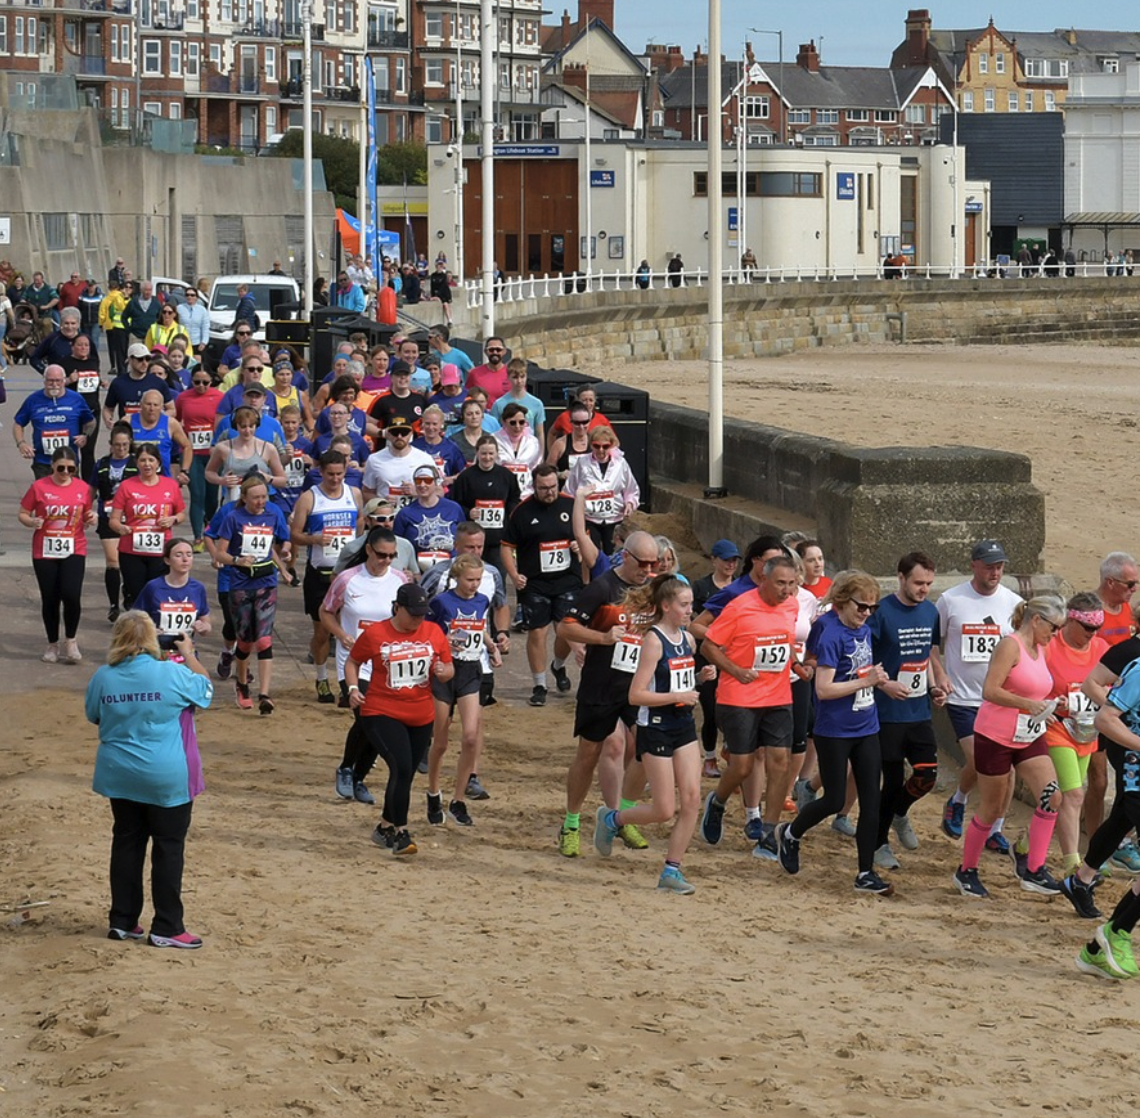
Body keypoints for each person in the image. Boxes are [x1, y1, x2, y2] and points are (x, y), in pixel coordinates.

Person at [85, 612, 214, 949]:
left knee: (126, 842)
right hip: (164, 774)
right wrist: (187, 654)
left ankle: (123, 920)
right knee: (168, 847)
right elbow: (206, 690)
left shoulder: (104, 676)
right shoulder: (170, 673)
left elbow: (93, 715)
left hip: (120, 773)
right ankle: (168, 926)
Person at [776, 570, 894, 896]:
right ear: (843, 601)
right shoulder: (830, 631)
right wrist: (866, 681)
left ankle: (865, 872)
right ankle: (790, 833)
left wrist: (877, 680)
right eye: (861, 607)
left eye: (872, 607)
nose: (867, 613)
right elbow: (824, 690)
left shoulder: (863, 629)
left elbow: (842, 666)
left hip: (866, 724)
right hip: (834, 729)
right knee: (834, 799)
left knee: (871, 799)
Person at [594, 575, 715, 893]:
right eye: (685, 605)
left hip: (683, 726)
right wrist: (677, 698)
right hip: (656, 727)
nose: (691, 610)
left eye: (691, 604)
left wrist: (699, 679)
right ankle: (612, 820)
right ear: (665, 606)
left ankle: (671, 871)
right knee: (663, 810)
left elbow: (679, 684)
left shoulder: (687, 640)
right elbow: (636, 695)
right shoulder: (654, 641)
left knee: (691, 800)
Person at [950, 595, 1067, 899]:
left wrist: (1053, 704)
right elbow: (990, 690)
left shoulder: (1040, 649)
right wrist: (1028, 704)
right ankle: (966, 871)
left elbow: (1039, 687)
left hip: (1028, 734)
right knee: (993, 807)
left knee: (1052, 796)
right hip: (996, 736)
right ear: (1037, 620)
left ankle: (1034, 869)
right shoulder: (1010, 645)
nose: (1055, 635)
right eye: (1053, 628)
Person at [555, 530, 661, 858]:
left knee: (647, 749)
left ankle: (620, 815)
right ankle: (571, 823)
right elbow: (565, 627)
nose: (647, 569)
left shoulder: (653, 591)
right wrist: (602, 638)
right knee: (588, 754)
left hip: (636, 687)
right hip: (601, 685)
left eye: (653, 563)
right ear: (625, 556)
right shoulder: (602, 587)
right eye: (642, 562)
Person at [699, 554, 802, 860]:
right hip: (739, 696)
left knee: (780, 760)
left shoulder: (792, 606)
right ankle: (716, 803)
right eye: (780, 583)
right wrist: (735, 670)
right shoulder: (739, 606)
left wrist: (798, 663)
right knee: (742, 766)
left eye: (791, 583)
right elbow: (708, 646)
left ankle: (769, 832)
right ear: (764, 580)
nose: (786, 590)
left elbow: (785, 644)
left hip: (779, 694)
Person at [345, 583, 455, 856]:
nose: (418, 619)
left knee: (403, 775)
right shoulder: (376, 633)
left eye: (422, 613)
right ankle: (401, 833)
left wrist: (444, 671)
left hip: (420, 715)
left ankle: (384, 827)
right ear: (397, 608)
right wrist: (353, 688)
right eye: (413, 613)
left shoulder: (433, 631)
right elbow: (353, 662)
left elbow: (449, 667)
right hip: (381, 712)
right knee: (403, 767)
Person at [937, 539, 1024, 854]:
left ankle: (995, 830)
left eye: (999, 566)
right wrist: (940, 674)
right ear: (973, 564)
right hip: (963, 698)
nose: (995, 572)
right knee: (979, 760)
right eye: (989, 566)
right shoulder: (951, 600)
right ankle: (958, 799)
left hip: (1000, 699)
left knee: (1007, 769)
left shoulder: (1014, 602)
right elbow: (934, 644)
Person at [867, 552, 951, 871]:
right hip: (886, 712)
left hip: (918, 711)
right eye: (918, 582)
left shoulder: (930, 612)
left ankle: (900, 813)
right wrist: (883, 684)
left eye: (929, 583)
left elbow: (927, 656)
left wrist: (934, 687)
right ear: (900, 578)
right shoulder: (880, 613)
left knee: (926, 774)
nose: (923, 589)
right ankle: (878, 844)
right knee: (889, 781)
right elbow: (865, 659)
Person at [321, 527, 409, 801]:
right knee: (369, 717)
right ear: (369, 550)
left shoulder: (399, 580)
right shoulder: (348, 579)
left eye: (392, 556)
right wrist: (341, 635)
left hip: (386, 662)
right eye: (381, 554)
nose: (386, 560)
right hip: (354, 662)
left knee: (378, 722)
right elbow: (325, 611)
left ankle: (358, 776)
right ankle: (347, 769)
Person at [424, 554, 501, 827]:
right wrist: (442, 641)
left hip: (471, 670)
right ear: (457, 577)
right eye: (470, 580)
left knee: (470, 737)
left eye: (478, 580)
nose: (474, 585)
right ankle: (433, 792)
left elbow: (479, 626)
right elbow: (427, 633)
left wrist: (491, 647)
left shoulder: (482, 600)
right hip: (445, 671)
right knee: (441, 741)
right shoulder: (441, 602)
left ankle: (458, 799)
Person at [501, 465, 582, 709]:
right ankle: (539, 684)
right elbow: (507, 546)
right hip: (535, 582)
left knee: (567, 631)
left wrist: (579, 547)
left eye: (552, 487)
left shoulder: (570, 505)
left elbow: (585, 537)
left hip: (567, 579)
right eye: (543, 488)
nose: (549, 492)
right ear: (534, 486)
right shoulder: (522, 512)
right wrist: (514, 575)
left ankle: (557, 665)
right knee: (538, 632)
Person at [1042, 592, 1109, 877]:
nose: (1092, 635)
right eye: (1088, 629)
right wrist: (1046, 707)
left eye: (1097, 629)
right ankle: (1073, 863)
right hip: (1056, 727)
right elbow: (1031, 680)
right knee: (1074, 794)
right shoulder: (1050, 645)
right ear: (1071, 620)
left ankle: (1023, 844)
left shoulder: (1101, 648)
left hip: (1086, 730)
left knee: (1055, 799)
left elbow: (1112, 686)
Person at [291, 449, 364, 703]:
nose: (335, 479)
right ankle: (322, 679)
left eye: (340, 474)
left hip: (348, 575)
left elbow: (360, 525)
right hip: (320, 574)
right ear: (320, 472)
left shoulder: (354, 494)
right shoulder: (309, 498)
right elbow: (295, 534)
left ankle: (349, 683)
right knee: (322, 632)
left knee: (349, 632)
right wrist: (315, 539)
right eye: (330, 474)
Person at [213, 474, 290, 713]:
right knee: (245, 640)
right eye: (255, 497)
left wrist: (283, 569)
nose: (260, 502)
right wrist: (237, 560)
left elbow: (270, 549)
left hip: (266, 582)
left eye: (264, 497)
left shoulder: (273, 515)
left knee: (264, 639)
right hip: (240, 584)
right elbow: (220, 553)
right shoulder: (233, 518)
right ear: (244, 497)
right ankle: (242, 683)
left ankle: (265, 694)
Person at [1084, 552, 1140, 864]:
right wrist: (1113, 707)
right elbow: (1089, 673)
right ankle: (1097, 843)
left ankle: (1112, 845)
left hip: (1121, 711)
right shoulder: (1090, 611)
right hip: (1097, 709)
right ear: (1111, 582)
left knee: (1117, 785)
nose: (1134, 589)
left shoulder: (1126, 612)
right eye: (1130, 584)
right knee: (1099, 778)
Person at [18, 445, 97, 664]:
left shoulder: (83, 488)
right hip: (45, 549)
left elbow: (87, 515)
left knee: (71, 595)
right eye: (60, 468)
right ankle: (52, 644)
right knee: (50, 598)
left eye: (70, 469)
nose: (65, 473)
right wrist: (32, 521)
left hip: (74, 547)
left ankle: (70, 640)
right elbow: (23, 513)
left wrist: (91, 518)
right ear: (52, 466)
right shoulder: (39, 487)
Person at [108, 442, 187, 609]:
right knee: (137, 595)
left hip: (161, 551)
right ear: (137, 463)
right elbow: (113, 519)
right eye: (143, 460)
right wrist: (121, 528)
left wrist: (172, 519)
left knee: (157, 594)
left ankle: (154, 630)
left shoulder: (170, 485)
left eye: (151, 460)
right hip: (131, 550)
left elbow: (181, 514)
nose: (147, 464)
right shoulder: (127, 486)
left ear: (158, 462)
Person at [690, 539, 741, 777]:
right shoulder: (701, 588)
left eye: (734, 560)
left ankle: (731, 749)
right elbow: (692, 623)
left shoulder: (742, 588)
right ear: (714, 560)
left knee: (730, 708)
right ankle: (709, 758)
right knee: (710, 709)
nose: (731, 564)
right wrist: (716, 637)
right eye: (726, 559)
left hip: (734, 656)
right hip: (707, 655)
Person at [449, 435, 521, 577]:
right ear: (477, 453)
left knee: (497, 577)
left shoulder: (507, 476)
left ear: (496, 454)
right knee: (469, 576)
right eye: (483, 453)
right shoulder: (465, 477)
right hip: (472, 539)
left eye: (490, 453)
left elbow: (514, 499)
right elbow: (455, 504)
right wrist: (469, 512)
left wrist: (510, 514)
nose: (487, 457)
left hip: (498, 538)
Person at [564, 425, 639, 555]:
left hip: (614, 518)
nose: (601, 450)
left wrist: (630, 503)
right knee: (592, 555)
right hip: (590, 519)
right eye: (596, 446)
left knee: (615, 554)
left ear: (611, 445)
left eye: (605, 446)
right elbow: (569, 490)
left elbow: (631, 489)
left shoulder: (620, 463)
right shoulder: (582, 463)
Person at [13, 364, 96, 479]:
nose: (54, 385)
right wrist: (21, 443)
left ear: (64, 380)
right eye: (50, 381)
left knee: (69, 495)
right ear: (44, 381)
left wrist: (85, 435)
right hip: (43, 462)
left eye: (58, 381)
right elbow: (18, 423)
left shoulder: (76, 399)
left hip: (69, 462)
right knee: (45, 495)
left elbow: (91, 422)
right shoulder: (33, 400)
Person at [91, 423, 138, 622]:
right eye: (117, 445)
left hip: (133, 518)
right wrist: (86, 509)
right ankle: (113, 604)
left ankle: (129, 593)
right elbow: (91, 490)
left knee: (129, 561)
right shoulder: (101, 465)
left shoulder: (137, 463)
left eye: (124, 445)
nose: (120, 449)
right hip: (108, 518)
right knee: (113, 561)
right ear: (111, 445)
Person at [175, 368, 224, 550]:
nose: (201, 386)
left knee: (212, 497)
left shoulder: (219, 397)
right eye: (197, 382)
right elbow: (177, 420)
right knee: (197, 495)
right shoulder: (183, 397)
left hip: (213, 454)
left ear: (212, 381)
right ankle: (198, 537)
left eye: (205, 382)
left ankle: (209, 526)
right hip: (192, 454)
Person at [134, 538, 212, 654]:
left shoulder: (198, 588)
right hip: (157, 652)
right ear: (167, 560)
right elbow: (132, 622)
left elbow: (207, 627)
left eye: (189, 555)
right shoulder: (153, 587)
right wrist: (148, 631)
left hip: (186, 653)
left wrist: (203, 627)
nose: (185, 559)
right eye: (178, 555)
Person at [204, 405, 288, 503]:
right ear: (236, 426)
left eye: (251, 426)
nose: (247, 431)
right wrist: (221, 480)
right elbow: (209, 472)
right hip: (232, 503)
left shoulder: (268, 448)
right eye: (243, 426)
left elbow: (283, 480)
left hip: (259, 507)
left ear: (256, 425)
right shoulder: (223, 448)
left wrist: (268, 478)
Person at [394, 464, 466, 571]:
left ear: (436, 482)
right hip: (418, 571)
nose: (422, 485)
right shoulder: (405, 513)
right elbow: (398, 546)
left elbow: (464, 537)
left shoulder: (453, 508)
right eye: (418, 481)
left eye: (427, 480)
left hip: (451, 568)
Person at [361, 418, 436, 507]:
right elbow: (366, 492)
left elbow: (440, 491)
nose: (399, 436)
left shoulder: (425, 459)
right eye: (395, 433)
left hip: (416, 514)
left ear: (411, 433)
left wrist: (419, 491)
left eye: (404, 432)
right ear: (388, 434)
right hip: (387, 516)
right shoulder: (374, 459)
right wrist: (381, 502)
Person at [102, 343, 175, 423]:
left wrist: (158, 419)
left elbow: (171, 409)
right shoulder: (118, 383)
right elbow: (108, 408)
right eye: (140, 359)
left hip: (152, 432)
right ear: (130, 360)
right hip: (128, 431)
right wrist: (109, 421)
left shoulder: (158, 383)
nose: (144, 363)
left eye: (147, 359)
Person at [130, 389, 193, 481]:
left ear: (161, 407)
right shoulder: (129, 421)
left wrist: (184, 471)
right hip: (134, 479)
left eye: (155, 405)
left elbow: (187, 446)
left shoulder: (170, 423)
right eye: (148, 404)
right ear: (141, 404)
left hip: (162, 479)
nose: (151, 409)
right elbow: (116, 447)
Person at [493, 402, 544, 499]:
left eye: (521, 422)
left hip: (527, 493)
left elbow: (536, 468)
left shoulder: (533, 442)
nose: (517, 426)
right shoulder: (494, 440)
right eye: (513, 423)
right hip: (500, 492)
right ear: (504, 422)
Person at [413, 404, 467, 486]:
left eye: (434, 424)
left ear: (442, 424)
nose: (431, 427)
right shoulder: (414, 446)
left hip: (444, 494)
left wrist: (452, 479)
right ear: (422, 423)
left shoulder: (451, 448)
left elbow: (463, 472)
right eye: (427, 423)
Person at [545, 385, 609, 450]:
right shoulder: (565, 417)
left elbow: (613, 441)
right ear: (577, 400)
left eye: (591, 400)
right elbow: (552, 433)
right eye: (584, 400)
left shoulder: (602, 420)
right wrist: (552, 452)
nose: (587, 403)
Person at [451, 397, 499, 463]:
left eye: (477, 413)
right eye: (469, 414)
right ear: (463, 418)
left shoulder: (491, 438)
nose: (474, 417)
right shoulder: (454, 440)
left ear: (482, 416)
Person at [466, 337, 511, 406]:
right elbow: (467, 397)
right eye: (491, 350)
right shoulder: (475, 374)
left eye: (498, 349)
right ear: (485, 352)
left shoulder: (512, 373)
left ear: (504, 351)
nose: (495, 352)